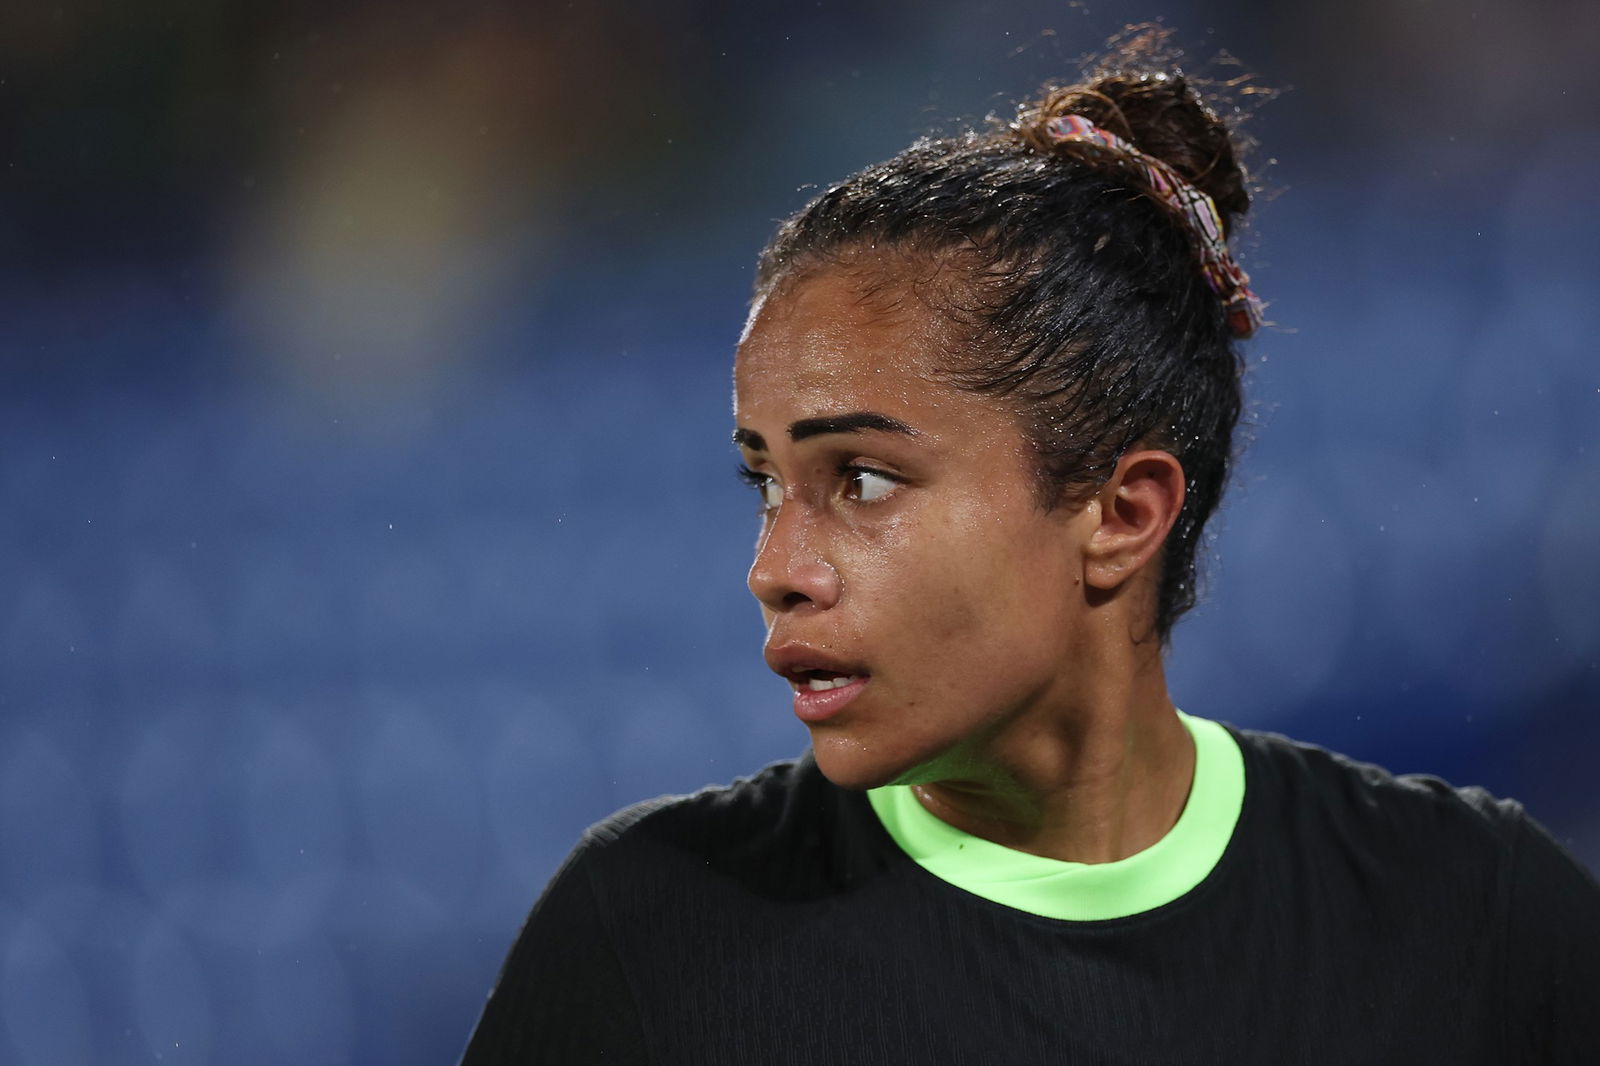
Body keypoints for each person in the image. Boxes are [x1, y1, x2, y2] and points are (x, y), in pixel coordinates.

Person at [460, 34, 1600, 1065]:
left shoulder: (1472, 917)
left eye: (861, 478)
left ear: (1120, 514)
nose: (776, 566)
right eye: (765, 479)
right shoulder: (645, 934)